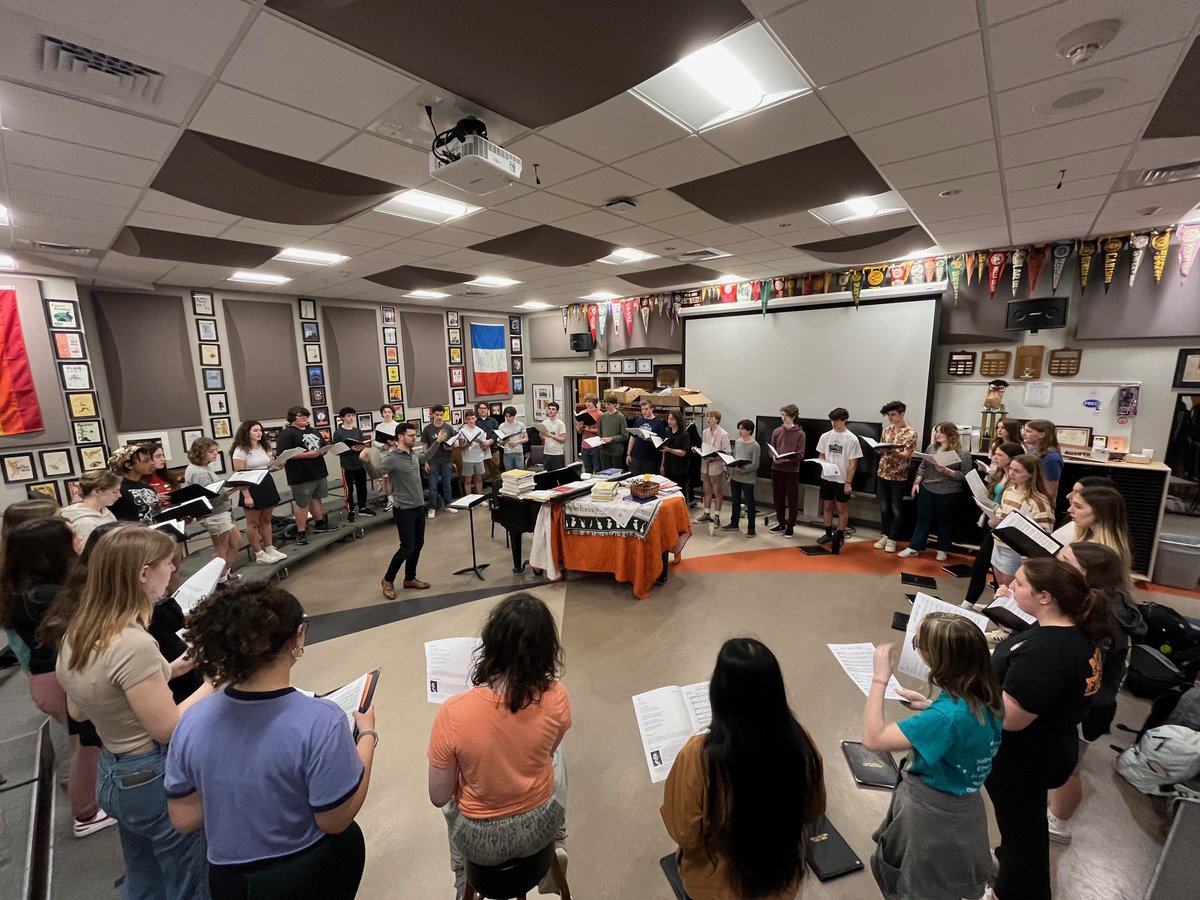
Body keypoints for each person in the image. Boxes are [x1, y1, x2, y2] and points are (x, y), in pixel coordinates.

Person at [165, 583, 376, 899]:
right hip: (302, 873)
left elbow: (184, 818)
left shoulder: (191, 721)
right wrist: (368, 739)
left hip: (228, 880)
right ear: (299, 635)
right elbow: (334, 819)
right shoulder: (321, 720)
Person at [56, 525, 214, 899]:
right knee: (189, 881)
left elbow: (79, 706)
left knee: (144, 878)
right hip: (152, 775)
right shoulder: (133, 642)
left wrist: (172, 669)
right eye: (167, 564)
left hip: (114, 771)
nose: (172, 571)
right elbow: (168, 729)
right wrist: (215, 684)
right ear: (144, 574)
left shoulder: (79, 631)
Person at [428, 593, 571, 899]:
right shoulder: (558, 696)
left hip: (480, 845)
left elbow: (438, 796)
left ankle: (461, 877)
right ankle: (558, 842)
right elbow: (547, 752)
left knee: (452, 801)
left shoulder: (452, 712)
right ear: (547, 649)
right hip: (541, 828)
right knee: (555, 757)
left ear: (490, 643)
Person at [661, 638, 825, 900]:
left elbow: (683, 831)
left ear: (718, 692)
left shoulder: (697, 756)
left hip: (715, 886)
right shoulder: (800, 743)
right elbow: (813, 809)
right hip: (780, 880)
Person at [986, 558, 1109, 900]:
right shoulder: (1074, 633)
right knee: (1025, 827)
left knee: (1022, 834)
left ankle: (1013, 892)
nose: (1011, 587)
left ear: (1045, 597)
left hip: (1024, 757)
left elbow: (1012, 717)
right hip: (1053, 744)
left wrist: (968, 687)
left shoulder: (1045, 653)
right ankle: (1011, 869)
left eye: (1020, 584)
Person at [862, 614, 1003, 900]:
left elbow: (874, 739)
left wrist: (878, 680)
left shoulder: (945, 718)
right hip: (966, 806)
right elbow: (965, 728)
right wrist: (928, 705)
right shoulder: (986, 695)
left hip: (930, 814)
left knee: (918, 885)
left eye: (918, 644)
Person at [0, 518, 114, 837]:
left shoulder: (20, 588)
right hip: (59, 677)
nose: (77, 540)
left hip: (45, 676)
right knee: (86, 744)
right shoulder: (47, 594)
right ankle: (87, 812)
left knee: (81, 743)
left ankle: (84, 796)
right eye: (70, 538)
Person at [1046, 542, 1145, 845]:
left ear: (1088, 572)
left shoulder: (1106, 615)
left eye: (1066, 561)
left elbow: (1081, 658)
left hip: (1091, 705)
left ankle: (1058, 822)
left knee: (1069, 768)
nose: (1058, 565)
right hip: (1089, 699)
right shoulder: (1101, 601)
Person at [367, 421, 429, 598]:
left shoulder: (413, 454)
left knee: (418, 544)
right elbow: (376, 474)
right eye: (411, 435)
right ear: (400, 437)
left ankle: (410, 578)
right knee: (407, 547)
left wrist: (438, 442)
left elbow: (425, 457)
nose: (414, 437)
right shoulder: (392, 458)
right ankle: (388, 579)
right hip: (404, 509)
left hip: (418, 506)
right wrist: (366, 462)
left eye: (414, 434)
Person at [897, 422, 971, 562]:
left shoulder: (963, 453)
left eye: (941, 432)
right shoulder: (931, 448)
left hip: (949, 491)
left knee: (945, 521)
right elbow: (923, 466)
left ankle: (942, 549)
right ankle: (914, 546)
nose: (937, 435)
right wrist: (917, 482)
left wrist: (946, 471)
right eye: (936, 432)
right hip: (928, 487)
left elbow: (966, 476)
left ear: (950, 434)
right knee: (923, 518)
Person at [963, 442, 1024, 608]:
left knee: (982, 565)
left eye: (1000, 455)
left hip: (1001, 526)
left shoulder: (1013, 482)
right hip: (992, 520)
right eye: (995, 454)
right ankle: (995, 603)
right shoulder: (1001, 474)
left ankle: (968, 604)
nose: (995, 458)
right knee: (992, 566)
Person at [989, 454, 1055, 587]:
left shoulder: (1038, 500)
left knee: (1010, 590)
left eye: (1017, 471)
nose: (1011, 473)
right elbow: (1000, 512)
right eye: (1011, 469)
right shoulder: (1008, 490)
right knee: (999, 587)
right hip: (998, 544)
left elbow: (1045, 532)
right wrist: (993, 522)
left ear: (1031, 474)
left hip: (1015, 550)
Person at [275, 406, 336, 546]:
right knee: (302, 503)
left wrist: (323, 451)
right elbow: (283, 454)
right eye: (300, 416)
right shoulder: (287, 433)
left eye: (306, 416)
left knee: (316, 498)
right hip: (301, 474)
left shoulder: (313, 430)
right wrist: (306, 455)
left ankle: (320, 523)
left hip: (318, 471)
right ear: (292, 417)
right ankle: (301, 531)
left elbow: (323, 445)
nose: (304, 418)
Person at [185, 438, 243, 584]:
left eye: (216, 450)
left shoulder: (204, 467)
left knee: (235, 542)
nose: (216, 454)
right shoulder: (199, 472)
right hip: (215, 514)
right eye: (211, 451)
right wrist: (235, 488)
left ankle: (225, 574)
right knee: (220, 550)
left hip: (221, 512)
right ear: (200, 452)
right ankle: (219, 581)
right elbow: (211, 500)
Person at [231, 420, 286, 564]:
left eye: (260, 430)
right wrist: (247, 496)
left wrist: (276, 467)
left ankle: (269, 547)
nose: (259, 433)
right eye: (255, 430)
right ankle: (259, 552)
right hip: (250, 486)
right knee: (253, 523)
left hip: (266, 482)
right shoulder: (240, 450)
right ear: (246, 432)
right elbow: (239, 475)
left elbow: (266, 467)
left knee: (267, 519)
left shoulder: (264, 446)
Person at [872, 400, 918, 554]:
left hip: (898, 475)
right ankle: (884, 534)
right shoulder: (887, 430)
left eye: (893, 415)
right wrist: (880, 449)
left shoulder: (911, 433)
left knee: (896, 508)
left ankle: (893, 538)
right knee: (884, 507)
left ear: (902, 414)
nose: (890, 418)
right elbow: (881, 450)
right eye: (888, 415)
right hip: (883, 472)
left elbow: (906, 456)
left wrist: (891, 450)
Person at [816, 407, 862, 553]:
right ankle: (828, 533)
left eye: (836, 420)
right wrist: (821, 462)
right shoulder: (825, 436)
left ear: (844, 420)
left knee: (841, 508)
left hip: (842, 479)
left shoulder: (852, 439)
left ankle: (840, 535)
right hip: (827, 477)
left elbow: (853, 464)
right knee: (827, 506)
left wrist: (848, 482)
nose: (833, 423)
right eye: (832, 420)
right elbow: (821, 455)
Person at [1050, 485, 1131, 566]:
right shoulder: (1081, 536)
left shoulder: (1100, 554)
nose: (1069, 510)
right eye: (1072, 505)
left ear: (1100, 513)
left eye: (1078, 506)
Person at [769, 404, 805, 537]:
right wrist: (773, 457)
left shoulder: (800, 434)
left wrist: (786, 460)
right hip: (777, 469)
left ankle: (790, 525)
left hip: (791, 471)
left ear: (793, 417)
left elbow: (800, 455)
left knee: (792, 499)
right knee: (778, 498)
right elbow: (771, 448)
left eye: (786, 415)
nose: (783, 418)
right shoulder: (777, 431)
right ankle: (781, 523)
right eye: (782, 415)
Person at [722, 419, 761, 538]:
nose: (740, 431)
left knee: (750, 503)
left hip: (748, 479)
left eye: (743, 428)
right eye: (739, 428)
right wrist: (731, 475)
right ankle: (734, 523)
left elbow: (755, 464)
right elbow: (734, 458)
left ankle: (751, 528)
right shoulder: (738, 442)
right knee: (735, 501)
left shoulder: (755, 445)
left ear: (749, 430)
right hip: (735, 477)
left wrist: (742, 470)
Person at [60, 469, 121, 545]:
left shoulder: (105, 512)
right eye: (114, 491)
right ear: (97, 491)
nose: (119, 495)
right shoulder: (85, 523)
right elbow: (88, 553)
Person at [333, 407, 373, 523]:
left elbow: (362, 445)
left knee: (362, 487)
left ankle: (362, 507)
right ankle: (350, 510)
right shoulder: (338, 433)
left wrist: (361, 448)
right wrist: (350, 449)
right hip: (347, 465)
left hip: (359, 463)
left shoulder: (357, 431)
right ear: (342, 418)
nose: (351, 418)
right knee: (348, 489)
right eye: (348, 416)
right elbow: (337, 450)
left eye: (352, 415)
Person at [108, 444, 162, 523]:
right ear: (129, 465)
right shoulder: (118, 489)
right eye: (146, 461)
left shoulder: (147, 486)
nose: (152, 463)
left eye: (151, 460)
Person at [697, 410, 731, 529]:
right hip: (705, 465)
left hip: (716, 466)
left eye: (711, 417)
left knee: (717, 491)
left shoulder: (723, 434)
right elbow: (704, 447)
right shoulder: (705, 432)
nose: (708, 419)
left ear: (717, 419)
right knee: (706, 490)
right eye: (707, 417)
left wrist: (715, 458)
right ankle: (706, 513)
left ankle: (716, 515)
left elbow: (727, 453)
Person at [422, 405, 457, 518]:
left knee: (447, 484)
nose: (439, 417)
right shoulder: (427, 429)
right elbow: (425, 446)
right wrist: (426, 462)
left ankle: (448, 504)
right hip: (433, 461)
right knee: (432, 485)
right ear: (432, 415)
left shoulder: (449, 428)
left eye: (441, 415)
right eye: (437, 414)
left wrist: (449, 448)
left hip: (446, 460)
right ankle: (432, 507)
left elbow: (453, 443)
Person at [1023, 419, 1064, 502]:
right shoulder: (1032, 451)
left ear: (1041, 434)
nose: (1024, 434)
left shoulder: (1051, 458)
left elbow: (1050, 491)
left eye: (1028, 431)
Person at [627, 398, 668, 476]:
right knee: (635, 479)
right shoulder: (639, 420)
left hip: (650, 458)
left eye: (646, 409)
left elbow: (662, 441)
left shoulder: (659, 423)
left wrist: (651, 439)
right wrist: (628, 454)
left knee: (647, 481)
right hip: (636, 456)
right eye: (642, 409)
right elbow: (633, 437)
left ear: (652, 409)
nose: (644, 411)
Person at [456, 409, 491, 496]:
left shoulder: (480, 431)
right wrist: (467, 444)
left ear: (475, 418)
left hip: (478, 458)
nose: (471, 421)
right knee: (468, 480)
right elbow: (461, 447)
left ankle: (479, 497)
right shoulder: (462, 431)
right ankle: (469, 498)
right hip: (467, 459)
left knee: (479, 479)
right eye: (469, 419)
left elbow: (484, 447)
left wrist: (481, 442)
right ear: (466, 420)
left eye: (472, 418)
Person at [660, 410, 692, 500]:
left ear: (678, 420)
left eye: (672, 419)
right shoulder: (667, 431)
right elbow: (664, 450)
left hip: (679, 468)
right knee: (668, 491)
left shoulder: (684, 434)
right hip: (668, 465)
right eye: (669, 419)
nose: (669, 421)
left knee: (680, 492)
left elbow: (683, 452)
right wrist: (662, 465)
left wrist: (670, 450)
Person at [597, 396, 628, 471]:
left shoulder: (620, 417)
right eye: (605, 404)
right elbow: (600, 432)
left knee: (615, 473)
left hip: (616, 450)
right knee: (605, 472)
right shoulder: (603, 416)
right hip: (604, 449)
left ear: (614, 404)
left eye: (609, 404)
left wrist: (611, 438)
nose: (606, 406)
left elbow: (625, 435)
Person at [574, 394, 602, 473]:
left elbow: (601, 431)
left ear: (594, 402)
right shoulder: (582, 413)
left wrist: (589, 429)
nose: (587, 404)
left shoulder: (599, 414)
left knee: (597, 469)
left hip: (596, 445)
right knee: (587, 469)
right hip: (585, 445)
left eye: (589, 401)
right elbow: (579, 432)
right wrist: (579, 427)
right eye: (586, 401)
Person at [496, 405, 528, 472]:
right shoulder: (501, 426)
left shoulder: (520, 425)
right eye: (506, 416)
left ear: (514, 416)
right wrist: (504, 441)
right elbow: (500, 442)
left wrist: (517, 442)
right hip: (507, 452)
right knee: (509, 472)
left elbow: (526, 438)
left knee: (520, 472)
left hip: (518, 451)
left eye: (510, 416)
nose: (508, 418)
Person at [474, 401, 501, 477]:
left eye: (485, 408)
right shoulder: (475, 421)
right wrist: (483, 444)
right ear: (478, 410)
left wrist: (490, 441)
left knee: (496, 472)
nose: (483, 410)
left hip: (493, 449)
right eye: (481, 408)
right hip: (479, 450)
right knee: (480, 474)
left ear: (488, 409)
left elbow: (496, 432)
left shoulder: (493, 421)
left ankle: (497, 487)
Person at [379, 404, 398, 511]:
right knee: (386, 479)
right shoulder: (379, 426)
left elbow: (402, 440)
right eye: (385, 412)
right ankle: (390, 499)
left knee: (396, 477)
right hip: (384, 455)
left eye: (389, 412)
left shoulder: (397, 425)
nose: (387, 414)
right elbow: (376, 442)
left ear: (393, 414)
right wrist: (383, 445)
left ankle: (397, 498)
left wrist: (394, 443)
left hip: (395, 455)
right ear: (382, 414)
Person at [540, 401, 568, 468]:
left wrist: (550, 435)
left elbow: (563, 439)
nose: (550, 411)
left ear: (557, 411)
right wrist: (541, 435)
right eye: (549, 409)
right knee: (547, 474)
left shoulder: (560, 424)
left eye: (553, 409)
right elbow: (543, 438)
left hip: (557, 454)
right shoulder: (544, 423)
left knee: (557, 474)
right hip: (547, 452)